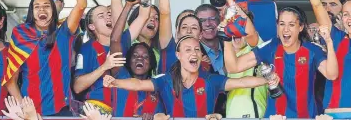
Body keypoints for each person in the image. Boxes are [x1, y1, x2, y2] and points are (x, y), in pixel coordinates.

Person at [103, 35, 276, 117]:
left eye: (196, 50)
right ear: (178, 55)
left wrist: (267, 79)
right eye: (188, 50)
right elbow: (139, 85)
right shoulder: (166, 80)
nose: (193, 53)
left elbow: (241, 82)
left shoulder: (210, 80)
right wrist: (114, 82)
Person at [3, 0, 87, 116]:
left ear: (54, 10)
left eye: (47, 6)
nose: (42, 10)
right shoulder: (20, 34)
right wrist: (24, 110)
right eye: (37, 6)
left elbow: (81, 5)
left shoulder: (64, 32)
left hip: (62, 110)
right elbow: (11, 81)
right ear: (31, 11)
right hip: (30, 111)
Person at [224, 4, 338, 118]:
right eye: (282, 24)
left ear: (301, 27)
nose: (286, 29)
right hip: (276, 117)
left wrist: (329, 42)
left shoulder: (312, 50)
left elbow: (332, 74)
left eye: (291, 25)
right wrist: (227, 38)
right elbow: (233, 67)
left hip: (305, 117)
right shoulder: (271, 47)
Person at [73, 5, 126, 114]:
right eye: (101, 16)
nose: (108, 17)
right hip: (97, 110)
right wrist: (104, 67)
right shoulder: (87, 49)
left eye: (109, 14)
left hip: (123, 108)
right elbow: (77, 86)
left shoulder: (124, 43)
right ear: (92, 26)